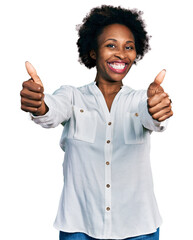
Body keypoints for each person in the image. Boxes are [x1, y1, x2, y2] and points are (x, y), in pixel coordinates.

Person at [20, 5, 173, 240]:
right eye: (111, 45)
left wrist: (156, 109)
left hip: (138, 228)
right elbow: (51, 110)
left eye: (129, 47)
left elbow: (151, 116)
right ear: (93, 52)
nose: (121, 53)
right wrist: (38, 103)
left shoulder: (141, 99)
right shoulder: (72, 96)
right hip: (79, 225)